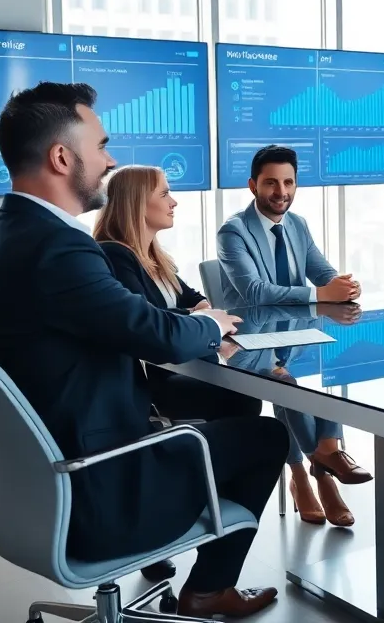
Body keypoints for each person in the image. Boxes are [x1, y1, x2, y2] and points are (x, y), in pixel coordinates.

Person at [0, 82, 286, 618]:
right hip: (97, 491)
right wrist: (211, 323)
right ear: (62, 158)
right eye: (101, 146)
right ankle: (208, 589)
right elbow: (158, 334)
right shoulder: (58, 248)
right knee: (268, 436)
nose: (110, 161)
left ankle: (205, 579)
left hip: (31, 490)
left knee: (225, 415)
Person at [93, 165, 265, 580]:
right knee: (246, 406)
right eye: (164, 194)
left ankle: (204, 498)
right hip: (154, 381)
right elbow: (152, 323)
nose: (174, 201)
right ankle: (196, 502)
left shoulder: (154, 255)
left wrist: (200, 313)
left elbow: (193, 299)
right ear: (138, 203)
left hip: (181, 366)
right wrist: (201, 320)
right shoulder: (116, 255)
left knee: (244, 401)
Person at [215, 144, 374, 524]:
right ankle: (314, 466)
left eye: (288, 182)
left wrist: (343, 286)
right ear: (253, 185)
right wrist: (321, 294)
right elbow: (254, 292)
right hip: (247, 344)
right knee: (285, 381)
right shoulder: (233, 231)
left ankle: (320, 461)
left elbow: (322, 273)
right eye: (271, 183)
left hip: (292, 337)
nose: (281, 191)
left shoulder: (298, 224)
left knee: (321, 373)